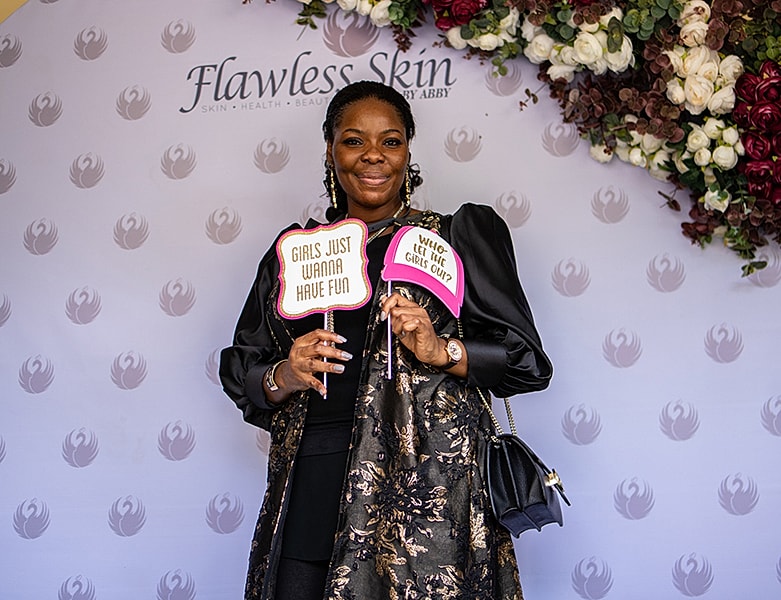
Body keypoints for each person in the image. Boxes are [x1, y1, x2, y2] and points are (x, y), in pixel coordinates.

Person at [219, 80, 553, 600]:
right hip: (315, 477)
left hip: (431, 490)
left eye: (390, 141)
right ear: (331, 151)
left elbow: (526, 363)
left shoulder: (455, 236)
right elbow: (243, 368)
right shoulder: (296, 252)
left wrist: (443, 351)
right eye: (354, 141)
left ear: (407, 151)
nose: (372, 155)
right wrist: (284, 373)